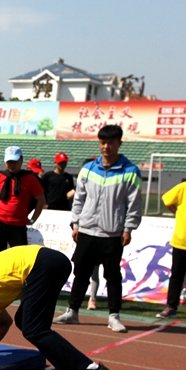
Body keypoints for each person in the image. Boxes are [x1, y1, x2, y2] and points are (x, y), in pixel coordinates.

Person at [55, 125, 142, 333]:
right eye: (102, 142)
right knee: (81, 273)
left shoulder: (130, 171)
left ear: (119, 143)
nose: (106, 146)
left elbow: (134, 203)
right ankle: (72, 311)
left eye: (110, 142)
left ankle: (113, 316)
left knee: (112, 276)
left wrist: (128, 228)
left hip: (112, 233)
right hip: (86, 231)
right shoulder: (88, 169)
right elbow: (79, 199)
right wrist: (75, 223)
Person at [0, 146, 46, 254]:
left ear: (21, 160)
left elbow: (41, 200)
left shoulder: (30, 179)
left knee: (19, 257)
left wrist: (33, 219)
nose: (12, 164)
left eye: (15, 161)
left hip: (18, 225)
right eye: (9, 161)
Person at [156, 161, 186, 322]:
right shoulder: (185, 187)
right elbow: (167, 200)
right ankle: (171, 307)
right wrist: (178, 213)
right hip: (182, 239)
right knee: (177, 275)